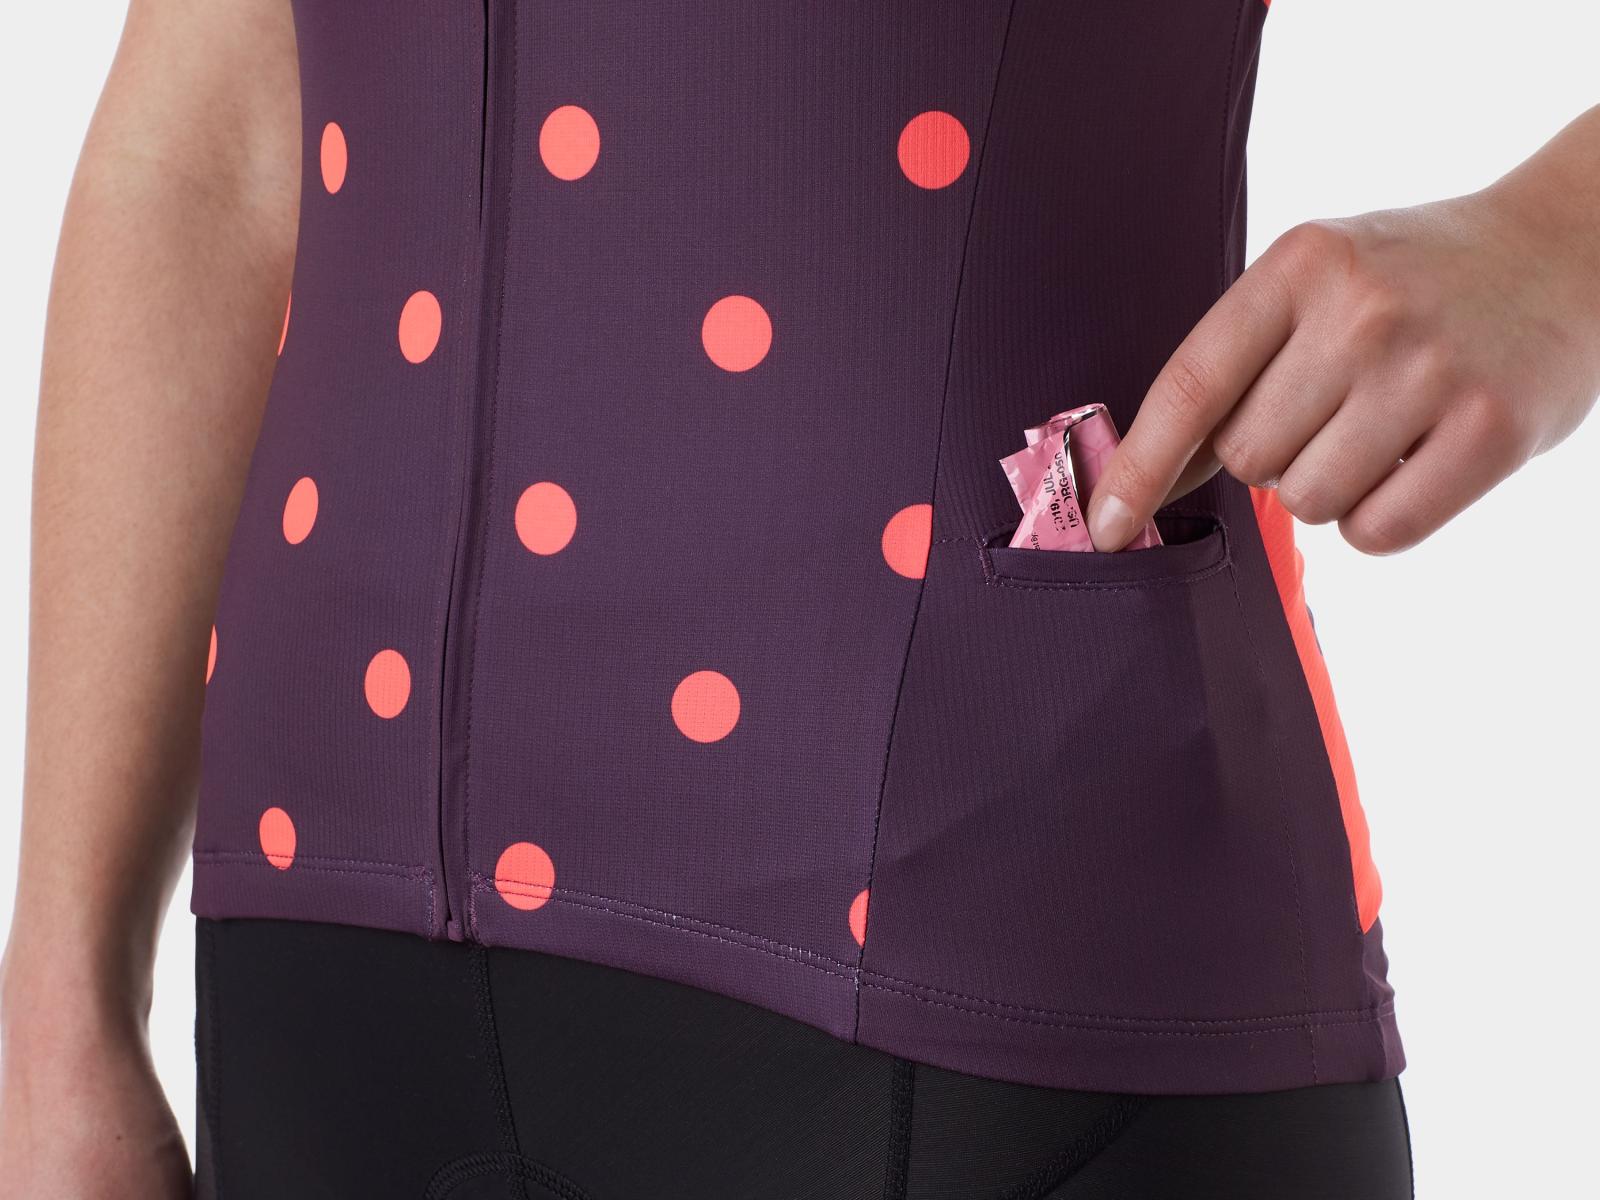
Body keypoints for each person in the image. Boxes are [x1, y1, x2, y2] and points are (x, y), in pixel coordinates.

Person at [0, 1, 1594, 1196]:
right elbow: (214, 143)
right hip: (323, 957)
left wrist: (1557, 239)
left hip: (992, 924)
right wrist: (61, 1001)